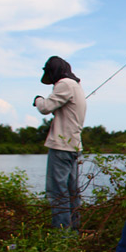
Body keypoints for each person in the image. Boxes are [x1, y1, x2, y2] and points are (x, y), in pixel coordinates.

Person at [33, 56, 87, 229]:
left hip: (61, 147)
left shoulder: (64, 84)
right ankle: (74, 231)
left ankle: (61, 235)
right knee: (72, 192)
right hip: (73, 146)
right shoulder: (76, 86)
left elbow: (45, 107)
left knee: (57, 192)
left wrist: (38, 99)